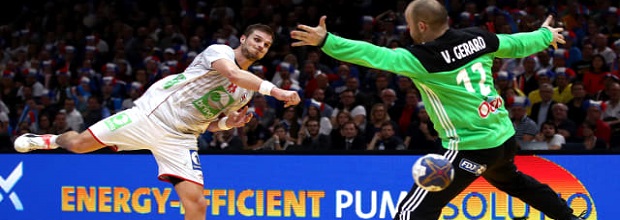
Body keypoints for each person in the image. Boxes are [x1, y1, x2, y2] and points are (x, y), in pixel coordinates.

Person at [290, 0, 585, 219]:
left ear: (420, 26)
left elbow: (372, 55)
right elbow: (517, 43)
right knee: (516, 183)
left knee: (410, 212)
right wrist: (546, 36)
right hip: (504, 138)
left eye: (408, 23)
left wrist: (327, 41)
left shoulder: (422, 58)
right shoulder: (479, 37)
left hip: (471, 146)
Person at [14, 24, 300, 220]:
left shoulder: (247, 92)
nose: (260, 46)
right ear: (243, 40)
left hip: (181, 139)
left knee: (197, 204)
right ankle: (47, 140)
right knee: (77, 145)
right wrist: (276, 90)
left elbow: (208, 122)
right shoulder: (219, 52)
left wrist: (228, 124)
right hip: (150, 117)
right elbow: (234, 75)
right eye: (257, 40)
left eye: (266, 45)